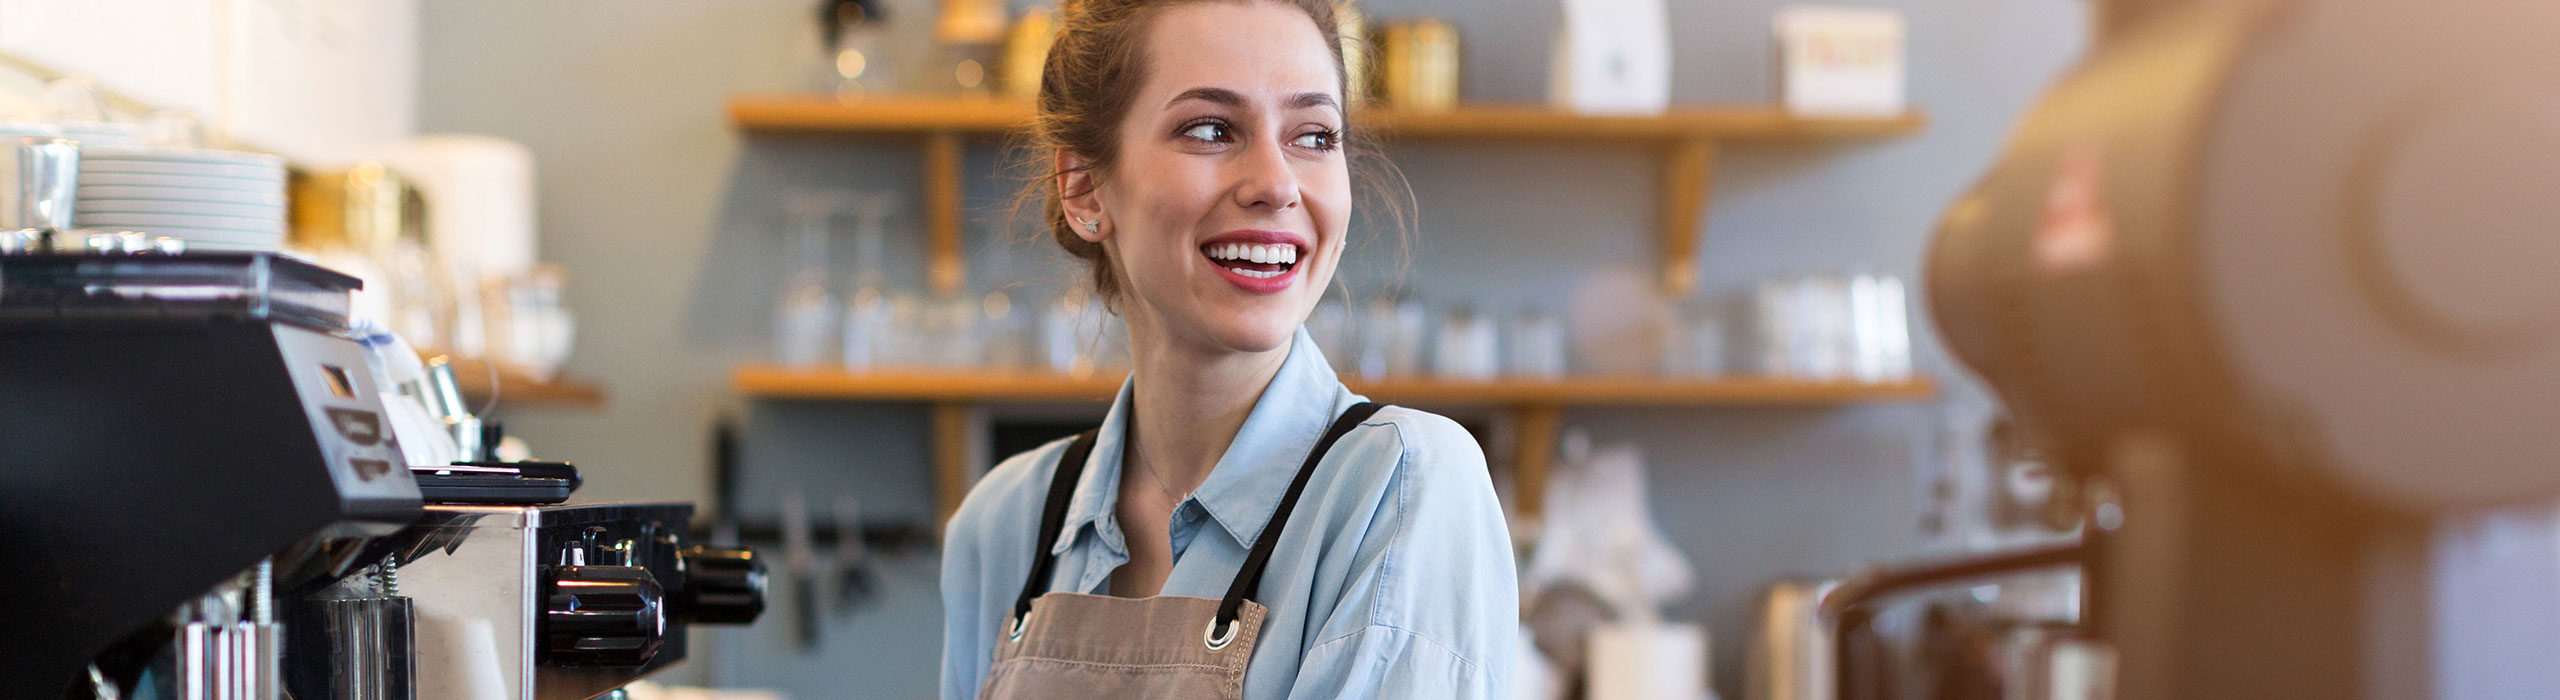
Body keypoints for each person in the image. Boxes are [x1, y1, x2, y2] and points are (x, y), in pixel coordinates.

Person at [937, 1, 1516, 698]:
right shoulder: (1006, 524)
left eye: (1314, 136)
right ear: (1084, 187)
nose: (1275, 185)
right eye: (1211, 129)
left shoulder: (1397, 486)